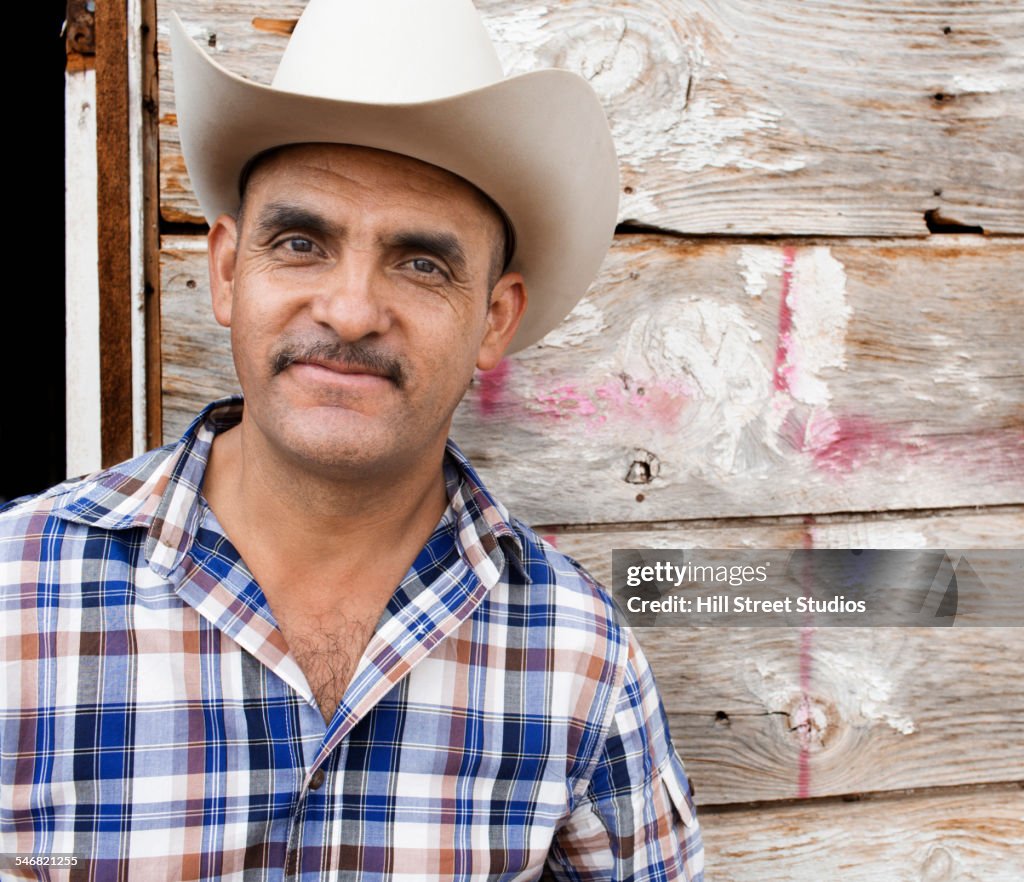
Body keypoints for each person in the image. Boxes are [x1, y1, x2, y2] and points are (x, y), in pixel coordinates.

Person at [0, 1, 704, 878]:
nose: (350, 310)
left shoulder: (577, 656)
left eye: (420, 263)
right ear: (227, 272)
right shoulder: (18, 595)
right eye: (301, 242)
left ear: (494, 317)